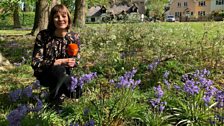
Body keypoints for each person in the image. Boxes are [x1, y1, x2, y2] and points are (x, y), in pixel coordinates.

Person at [31, 4, 81, 106]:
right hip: (45, 74)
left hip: (65, 74)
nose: (60, 19)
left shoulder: (73, 37)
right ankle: (54, 100)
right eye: (56, 17)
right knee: (59, 69)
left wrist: (73, 63)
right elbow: (35, 63)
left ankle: (66, 93)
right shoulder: (43, 36)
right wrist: (57, 62)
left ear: (68, 18)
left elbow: (77, 60)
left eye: (63, 16)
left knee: (77, 90)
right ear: (52, 20)